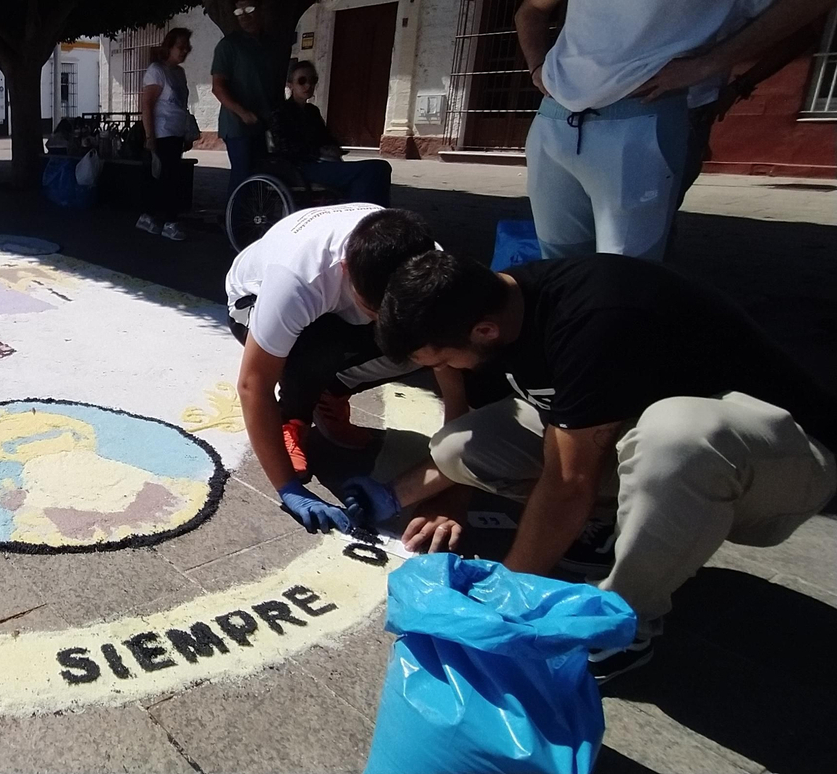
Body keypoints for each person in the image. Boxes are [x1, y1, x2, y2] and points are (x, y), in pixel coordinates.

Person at [347, 251, 836, 682]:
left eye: (448, 359)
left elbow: (566, 483)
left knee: (673, 436)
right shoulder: (494, 305)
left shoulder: (594, 316)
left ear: (484, 332)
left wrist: (505, 602)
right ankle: (612, 531)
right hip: (650, 430)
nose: (451, 370)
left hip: (785, 458)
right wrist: (388, 495)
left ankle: (621, 624)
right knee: (460, 448)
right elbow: (545, 444)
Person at [514, 0, 837, 260]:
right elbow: (531, 11)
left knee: (625, 283)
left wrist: (713, 65)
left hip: (642, 121)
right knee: (559, 273)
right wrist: (537, 69)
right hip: (554, 122)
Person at [227, 205, 436, 533]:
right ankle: (292, 418)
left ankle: (331, 392)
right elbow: (254, 384)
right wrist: (290, 490)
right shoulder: (299, 277)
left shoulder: (430, 265)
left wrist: (450, 488)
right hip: (251, 298)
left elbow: (452, 365)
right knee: (319, 345)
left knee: (426, 344)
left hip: (336, 306)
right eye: (372, 309)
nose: (377, 320)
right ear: (345, 269)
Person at [271, 61, 393, 206]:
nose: (308, 85)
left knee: (381, 167)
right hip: (301, 167)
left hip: (322, 163)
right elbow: (284, 148)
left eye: (313, 80)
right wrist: (317, 152)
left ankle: (378, 216)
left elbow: (326, 137)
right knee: (369, 171)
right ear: (290, 85)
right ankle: (361, 218)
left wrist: (333, 148)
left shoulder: (312, 111)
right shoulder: (282, 112)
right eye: (302, 81)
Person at [212, 0, 278, 197]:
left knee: (263, 175)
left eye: (249, 9)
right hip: (238, 126)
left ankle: (257, 221)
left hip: (264, 122)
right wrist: (243, 113)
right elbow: (218, 87)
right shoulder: (229, 46)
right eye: (239, 12)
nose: (244, 16)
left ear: (260, 9)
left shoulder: (269, 44)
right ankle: (235, 222)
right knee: (242, 175)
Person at [138, 27, 197, 241]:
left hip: (176, 132)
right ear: (169, 47)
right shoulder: (157, 71)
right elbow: (147, 104)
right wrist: (149, 136)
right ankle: (168, 221)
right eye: (180, 47)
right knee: (167, 178)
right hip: (162, 132)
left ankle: (154, 217)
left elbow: (181, 105)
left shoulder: (179, 73)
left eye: (187, 47)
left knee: (168, 178)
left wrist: (187, 131)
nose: (184, 51)